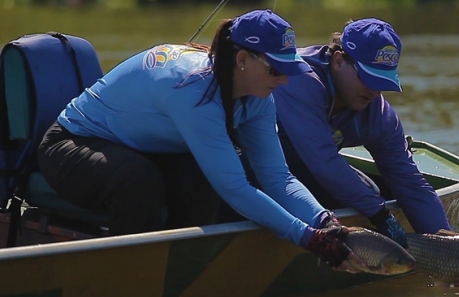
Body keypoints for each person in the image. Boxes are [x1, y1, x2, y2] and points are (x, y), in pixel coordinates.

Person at [37, 9, 364, 272]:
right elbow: (235, 188)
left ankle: (185, 275)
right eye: (275, 69)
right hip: (72, 144)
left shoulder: (261, 96)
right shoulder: (194, 90)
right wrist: (309, 239)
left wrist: (325, 221)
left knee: (199, 180)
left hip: (140, 147)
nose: (283, 79)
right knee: (139, 181)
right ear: (243, 60)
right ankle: (129, 277)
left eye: (289, 70)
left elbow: (278, 177)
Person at [272, 18, 453, 248]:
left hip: (301, 171)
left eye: (381, 82)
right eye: (367, 78)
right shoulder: (297, 78)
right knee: (367, 198)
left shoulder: (379, 114)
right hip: (247, 168)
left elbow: (409, 182)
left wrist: (445, 241)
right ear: (338, 60)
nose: (374, 91)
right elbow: (323, 161)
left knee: (371, 191)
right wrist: (379, 215)